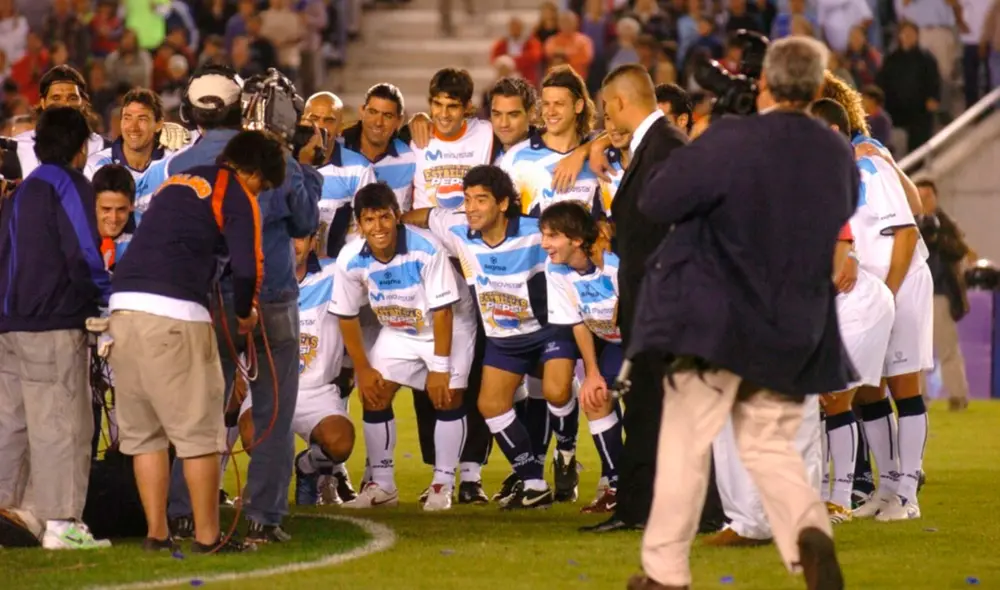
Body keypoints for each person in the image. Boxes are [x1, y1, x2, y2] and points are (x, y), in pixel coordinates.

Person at [625, 37, 851, 590]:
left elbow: (657, 200)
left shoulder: (732, 138)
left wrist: (716, 131)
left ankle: (664, 573)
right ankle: (807, 534)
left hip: (717, 321)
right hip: (796, 325)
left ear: (766, 83)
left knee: (683, 442)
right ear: (818, 87)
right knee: (769, 443)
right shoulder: (836, 151)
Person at [138, 64, 322, 544]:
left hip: (207, 298)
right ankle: (263, 513)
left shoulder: (181, 163)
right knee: (273, 410)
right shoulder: (267, 156)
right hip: (271, 294)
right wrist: (300, 160)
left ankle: (182, 510)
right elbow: (304, 221)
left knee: (200, 409)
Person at [107, 130, 281, 554]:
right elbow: (246, 270)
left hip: (122, 310)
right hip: (175, 313)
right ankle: (207, 537)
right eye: (261, 186)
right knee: (199, 433)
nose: (258, 194)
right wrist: (246, 313)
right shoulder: (235, 190)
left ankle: (156, 534)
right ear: (252, 172)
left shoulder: (176, 182)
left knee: (145, 434)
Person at [403, 165, 578, 510]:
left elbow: (573, 245)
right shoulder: (457, 226)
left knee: (557, 391)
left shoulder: (535, 232)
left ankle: (567, 452)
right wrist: (393, 221)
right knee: (490, 405)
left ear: (502, 204)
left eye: (480, 200)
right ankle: (533, 482)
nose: (470, 207)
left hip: (546, 331)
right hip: (503, 337)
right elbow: (425, 216)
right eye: (467, 199)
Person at [581, 63, 687, 535]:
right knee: (646, 407)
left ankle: (673, 510)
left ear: (622, 103)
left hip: (666, 307)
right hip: (650, 304)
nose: (605, 119)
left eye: (606, 108)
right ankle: (638, 508)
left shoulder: (667, 149)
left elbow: (678, 233)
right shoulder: (652, 146)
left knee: (664, 410)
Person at [0, 106, 112, 549]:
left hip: (11, 324)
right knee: (63, 423)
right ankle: (62, 522)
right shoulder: (68, 183)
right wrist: (105, 292)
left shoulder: (20, 191)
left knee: (14, 422)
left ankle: (13, 511)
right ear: (80, 146)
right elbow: (83, 250)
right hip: (52, 322)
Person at [332, 182, 478, 511]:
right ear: (359, 225)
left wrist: (440, 369)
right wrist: (363, 368)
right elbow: (346, 315)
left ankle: (442, 484)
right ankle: (382, 486)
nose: (378, 227)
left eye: (385, 217)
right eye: (369, 220)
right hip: (399, 327)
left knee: (448, 396)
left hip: (450, 323)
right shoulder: (350, 258)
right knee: (374, 392)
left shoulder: (427, 249)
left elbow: (443, 311)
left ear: (398, 217)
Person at [807, 98, 896, 525]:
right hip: (845, 304)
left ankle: (840, 497)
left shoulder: (845, 175)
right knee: (850, 397)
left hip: (860, 304)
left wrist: (848, 256)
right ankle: (886, 487)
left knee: (833, 398)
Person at [237, 233, 357, 506]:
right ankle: (262, 483)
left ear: (314, 241)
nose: (293, 245)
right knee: (253, 434)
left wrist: (354, 364)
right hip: (267, 388)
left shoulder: (335, 273)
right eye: (285, 238)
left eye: (300, 238)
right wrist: (237, 372)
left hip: (316, 390)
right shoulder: (256, 278)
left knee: (341, 443)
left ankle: (308, 465)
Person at [541, 201, 624, 514]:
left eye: (552, 236)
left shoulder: (613, 263)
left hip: (646, 342)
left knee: (650, 411)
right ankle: (617, 485)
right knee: (596, 397)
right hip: (613, 343)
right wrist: (591, 373)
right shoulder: (555, 270)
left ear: (576, 239)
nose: (544, 243)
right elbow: (577, 322)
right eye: (543, 235)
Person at [916, 179, 974, 412]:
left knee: (947, 348)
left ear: (936, 197)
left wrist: (939, 238)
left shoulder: (946, 223)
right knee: (916, 350)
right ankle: (917, 396)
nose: (924, 200)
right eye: (920, 195)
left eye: (928, 196)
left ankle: (958, 395)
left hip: (939, 291)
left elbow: (960, 249)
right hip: (916, 293)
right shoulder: (909, 221)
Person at [84, 88, 171, 182]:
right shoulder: (95, 166)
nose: (133, 128)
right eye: (127, 118)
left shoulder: (171, 164)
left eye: (142, 119)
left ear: (158, 124)